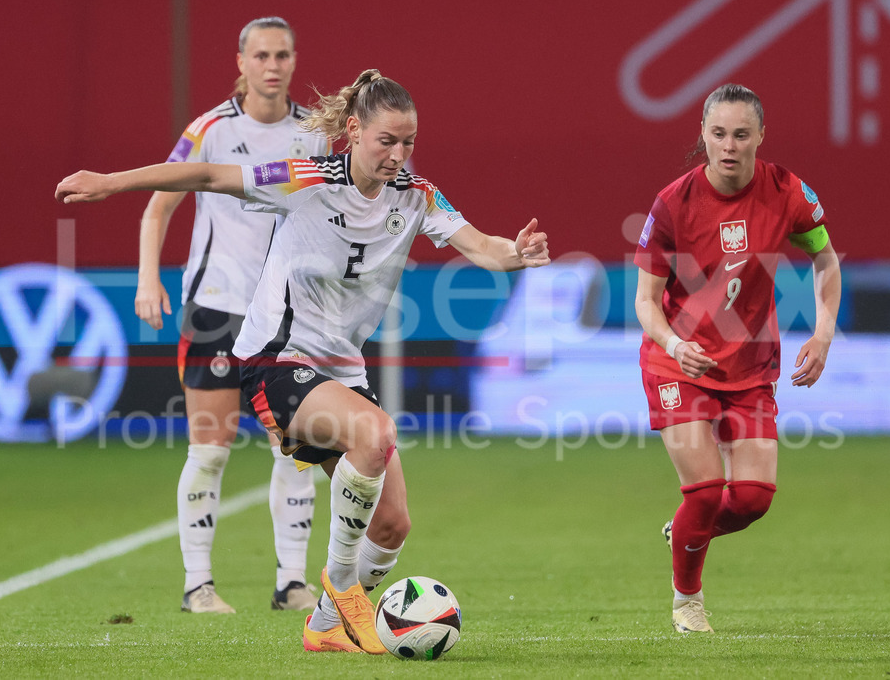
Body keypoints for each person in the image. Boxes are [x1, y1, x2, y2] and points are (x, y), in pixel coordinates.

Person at [56, 68, 551, 653]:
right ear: (352, 130)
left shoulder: (415, 196)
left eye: (409, 142)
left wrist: (516, 254)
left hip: (342, 370)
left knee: (393, 525)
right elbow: (211, 174)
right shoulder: (306, 179)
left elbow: (480, 246)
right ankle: (342, 590)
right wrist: (114, 181)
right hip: (275, 360)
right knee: (375, 432)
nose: (398, 154)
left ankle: (321, 627)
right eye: (386, 140)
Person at [135, 16, 331, 615]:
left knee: (294, 447)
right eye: (262, 55)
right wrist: (149, 278)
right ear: (241, 62)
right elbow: (158, 205)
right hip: (216, 309)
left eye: (283, 55)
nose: (273, 66)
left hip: (283, 319)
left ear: (295, 61)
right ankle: (199, 585)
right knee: (211, 450)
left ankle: (291, 583)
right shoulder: (210, 131)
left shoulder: (314, 136)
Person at [633, 83, 841, 633]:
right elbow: (645, 303)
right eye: (718, 133)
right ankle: (687, 602)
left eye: (741, 135)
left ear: (760, 137)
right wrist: (677, 345)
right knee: (703, 492)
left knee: (750, 500)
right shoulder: (673, 203)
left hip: (750, 369)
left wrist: (823, 333)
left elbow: (825, 259)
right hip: (678, 363)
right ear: (702, 133)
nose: (728, 146)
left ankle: (686, 530)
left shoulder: (786, 191)